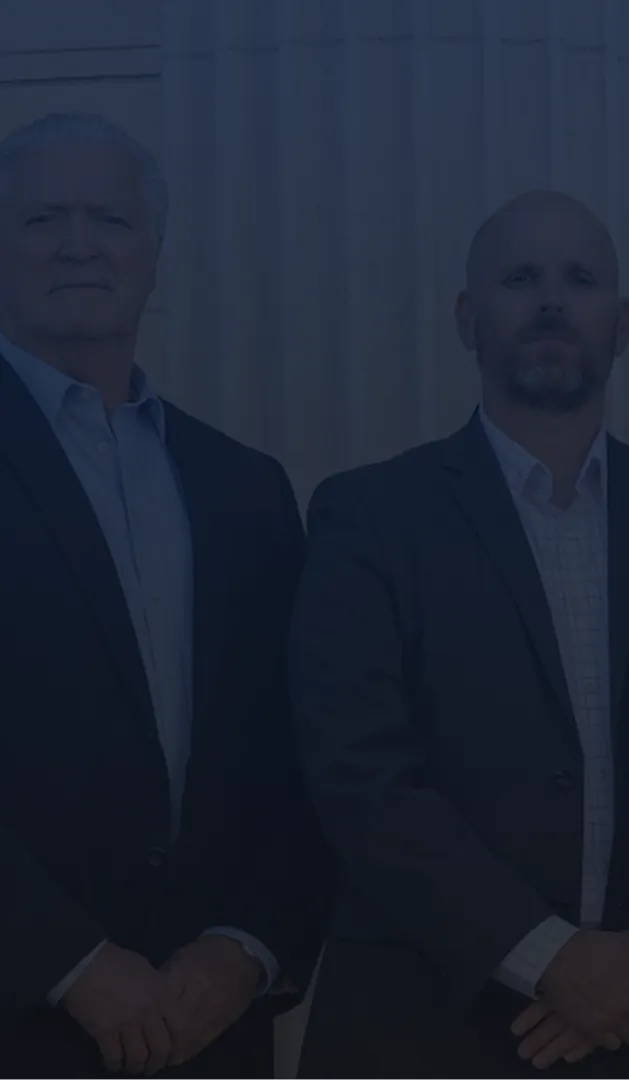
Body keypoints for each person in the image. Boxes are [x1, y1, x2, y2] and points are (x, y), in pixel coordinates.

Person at [290, 190, 629, 1079]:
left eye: (579, 280)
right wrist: (549, 959)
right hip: (423, 1025)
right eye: (520, 279)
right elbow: (357, 771)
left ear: (622, 324)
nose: (551, 301)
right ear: (468, 319)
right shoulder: (369, 515)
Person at [0, 112, 330, 1077]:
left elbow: (301, 750)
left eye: (110, 219)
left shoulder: (245, 487)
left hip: (211, 1026)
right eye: (42, 218)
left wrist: (247, 945)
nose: (79, 244)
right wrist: (63, 960)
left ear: (153, 255)